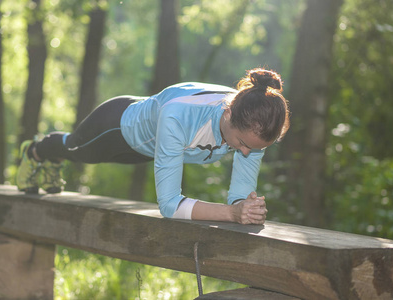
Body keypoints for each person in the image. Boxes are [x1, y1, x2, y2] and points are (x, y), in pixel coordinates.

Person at [16, 68, 290, 225]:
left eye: (253, 149)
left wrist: (246, 207)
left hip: (147, 149)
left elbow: (239, 194)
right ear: (228, 114)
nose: (244, 153)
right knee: (76, 150)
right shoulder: (180, 117)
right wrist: (231, 213)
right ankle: (35, 152)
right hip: (118, 126)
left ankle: (48, 158)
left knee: (83, 153)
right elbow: (169, 206)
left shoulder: (257, 127)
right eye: (241, 144)